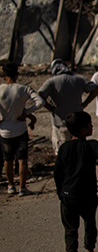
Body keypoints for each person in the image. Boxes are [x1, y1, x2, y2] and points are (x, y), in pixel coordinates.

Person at [54, 111, 98, 252]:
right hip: (87, 194)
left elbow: (57, 172)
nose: (92, 126)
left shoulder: (64, 148)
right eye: (90, 125)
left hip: (68, 194)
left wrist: (60, 191)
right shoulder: (90, 145)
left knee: (70, 228)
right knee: (89, 223)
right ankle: (90, 251)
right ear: (83, 130)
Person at [38, 58, 98, 155]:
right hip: (77, 122)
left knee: (62, 151)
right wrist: (85, 103)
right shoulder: (78, 79)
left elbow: (39, 95)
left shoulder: (51, 82)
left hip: (60, 121)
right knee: (78, 150)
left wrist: (49, 107)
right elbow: (96, 89)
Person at [0, 63, 44, 196]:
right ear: (17, 74)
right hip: (20, 128)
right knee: (22, 160)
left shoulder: (0, 89)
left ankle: (10, 185)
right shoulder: (23, 89)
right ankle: (22, 188)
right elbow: (40, 102)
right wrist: (27, 112)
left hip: (5, 130)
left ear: (4, 75)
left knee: (8, 160)